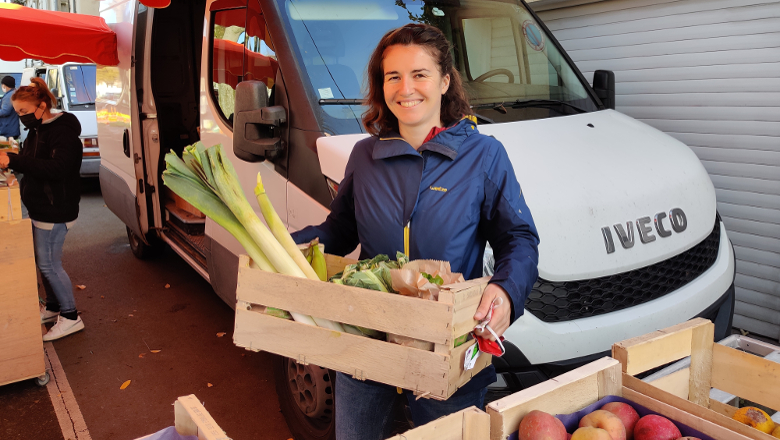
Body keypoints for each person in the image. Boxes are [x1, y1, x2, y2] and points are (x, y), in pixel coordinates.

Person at [292, 24, 540, 439]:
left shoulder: (483, 155)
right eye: (393, 76)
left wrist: (507, 291)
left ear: (445, 81)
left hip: (446, 342)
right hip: (368, 336)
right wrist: (293, 245)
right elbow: (339, 230)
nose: (406, 88)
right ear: (381, 85)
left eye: (420, 74)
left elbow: (518, 238)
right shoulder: (365, 155)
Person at [0, 77, 84, 341]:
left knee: (49, 264)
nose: (21, 118)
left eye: (24, 112)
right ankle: (52, 307)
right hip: (40, 207)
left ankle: (71, 316)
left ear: (42, 105)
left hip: (55, 208)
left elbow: (58, 169)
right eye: (18, 113)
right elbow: (33, 161)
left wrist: (14, 160)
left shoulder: (62, 132)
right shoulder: (39, 129)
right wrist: (14, 159)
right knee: (42, 261)